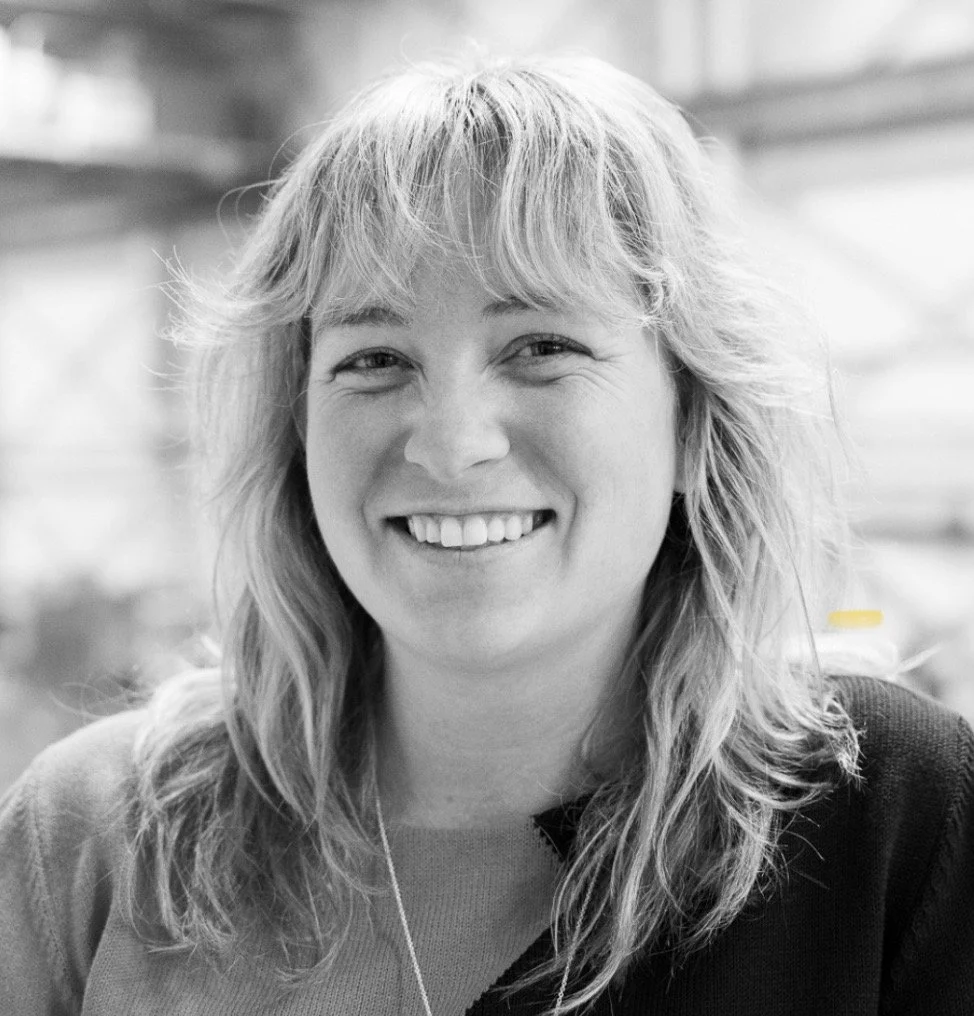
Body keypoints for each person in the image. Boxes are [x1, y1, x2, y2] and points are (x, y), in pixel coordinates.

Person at [1, 52, 972, 1016]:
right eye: (373, 357)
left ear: (691, 409)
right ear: (293, 429)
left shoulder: (882, 819)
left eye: (542, 346)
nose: (450, 442)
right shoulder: (95, 835)